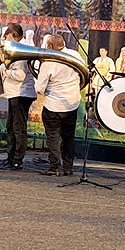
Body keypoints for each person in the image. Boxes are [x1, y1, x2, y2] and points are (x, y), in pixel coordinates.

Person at [35, 35, 83, 176]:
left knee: (53, 137)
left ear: (50, 46)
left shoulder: (48, 63)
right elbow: (83, 75)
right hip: (72, 103)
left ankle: (54, 167)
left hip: (53, 105)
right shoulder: (75, 55)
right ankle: (68, 168)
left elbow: (39, 89)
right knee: (69, 137)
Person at [0, 23, 36, 170]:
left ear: (14, 35)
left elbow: (20, 75)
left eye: (7, 33)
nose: (4, 36)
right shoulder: (15, 48)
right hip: (14, 93)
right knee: (11, 127)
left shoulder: (21, 49)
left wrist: (2, 68)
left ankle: (17, 160)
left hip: (21, 93)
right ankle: (10, 158)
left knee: (18, 128)